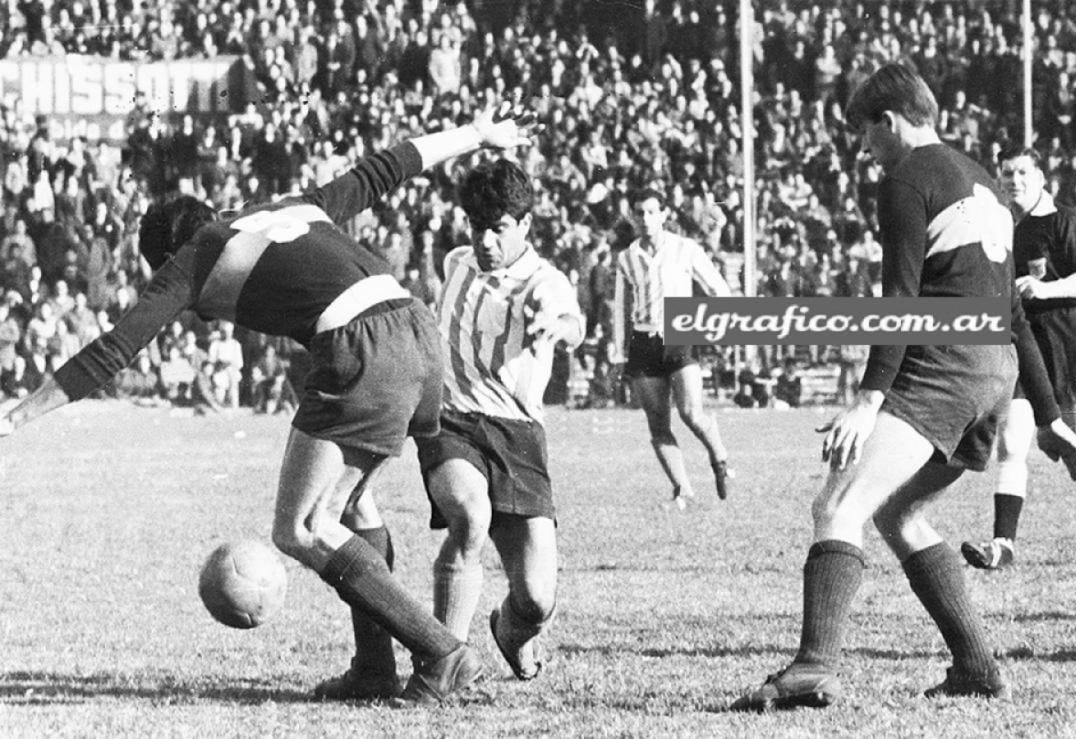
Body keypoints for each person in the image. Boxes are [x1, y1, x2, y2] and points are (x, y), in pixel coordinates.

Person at [0, 107, 536, 706]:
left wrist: (15, 415)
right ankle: (373, 669)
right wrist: (479, 135)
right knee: (351, 507)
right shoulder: (292, 205)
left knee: (302, 526)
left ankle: (442, 652)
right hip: (417, 330)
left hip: (361, 344)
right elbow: (392, 165)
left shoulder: (196, 254)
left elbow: (114, 349)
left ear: (168, 250)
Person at [730, 63, 1076, 713]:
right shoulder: (983, 181)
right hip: (995, 369)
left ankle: (813, 666)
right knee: (901, 512)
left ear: (889, 122)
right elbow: (1009, 310)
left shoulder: (905, 180)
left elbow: (899, 298)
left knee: (838, 502)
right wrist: (1048, 415)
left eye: (865, 136)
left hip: (944, 365)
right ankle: (977, 665)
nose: (866, 152)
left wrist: (869, 401)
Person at [416, 158, 584, 683]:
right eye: (476, 225)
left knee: (536, 598)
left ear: (525, 225)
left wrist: (553, 328)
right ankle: (443, 662)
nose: (485, 239)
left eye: (499, 227)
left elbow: (573, 324)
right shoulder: (456, 263)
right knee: (469, 516)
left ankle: (510, 632)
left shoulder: (545, 282)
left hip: (517, 435)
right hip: (453, 423)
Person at [961, 147, 1076, 569]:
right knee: (1011, 442)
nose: (1014, 180)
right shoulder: (1004, 226)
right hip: (1024, 344)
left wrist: (1046, 290)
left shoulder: (1062, 220)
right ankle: (1003, 546)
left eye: (1023, 172)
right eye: (1008, 173)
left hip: (1068, 342)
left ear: (1041, 176)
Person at [612, 188, 734, 508]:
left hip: (678, 334)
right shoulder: (627, 258)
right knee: (657, 422)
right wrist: (618, 351)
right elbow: (621, 308)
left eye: (652, 212)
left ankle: (719, 456)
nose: (645, 219)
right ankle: (683, 490)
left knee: (692, 412)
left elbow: (716, 288)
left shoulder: (685, 249)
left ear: (665, 215)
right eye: (640, 212)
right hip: (643, 341)